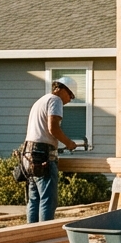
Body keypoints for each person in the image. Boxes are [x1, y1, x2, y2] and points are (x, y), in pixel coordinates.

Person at [23, 76, 78, 222]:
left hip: (29, 155)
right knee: (48, 200)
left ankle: (31, 237)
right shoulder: (55, 100)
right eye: (70, 95)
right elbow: (53, 128)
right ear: (62, 90)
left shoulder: (41, 101)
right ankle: (43, 238)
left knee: (34, 199)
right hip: (42, 155)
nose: (70, 100)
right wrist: (69, 143)